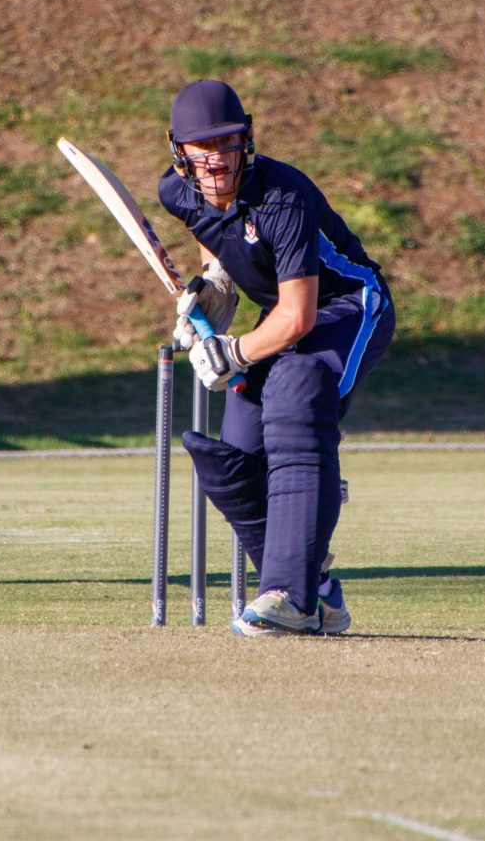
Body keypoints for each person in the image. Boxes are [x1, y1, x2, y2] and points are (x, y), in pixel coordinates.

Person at [157, 80, 394, 636]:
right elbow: (211, 232)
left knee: (296, 396)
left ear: (246, 138)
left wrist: (233, 351)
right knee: (236, 461)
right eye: (203, 146)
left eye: (228, 141)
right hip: (282, 309)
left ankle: (291, 598)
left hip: (348, 305)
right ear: (179, 149)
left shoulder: (283, 197)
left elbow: (298, 319)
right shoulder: (176, 191)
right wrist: (216, 281)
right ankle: (320, 590)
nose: (217, 157)